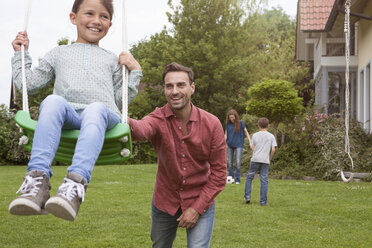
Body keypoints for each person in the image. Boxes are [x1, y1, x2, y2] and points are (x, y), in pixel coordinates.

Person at [9, 0, 142, 221]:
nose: (96, 21)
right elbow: (27, 85)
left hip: (103, 115)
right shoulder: (58, 53)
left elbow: (121, 99)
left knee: (95, 108)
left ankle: (74, 185)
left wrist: (135, 71)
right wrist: (20, 55)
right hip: (68, 115)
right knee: (52, 101)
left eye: (104, 16)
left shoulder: (112, 59)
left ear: (110, 24)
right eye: (89, 13)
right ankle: (37, 183)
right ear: (73, 18)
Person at [129, 62, 227, 248]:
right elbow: (140, 130)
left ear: (192, 88)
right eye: (169, 86)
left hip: (201, 200)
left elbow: (219, 175)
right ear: (165, 90)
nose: (175, 91)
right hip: (165, 201)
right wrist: (121, 119)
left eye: (180, 85)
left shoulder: (211, 123)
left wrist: (197, 209)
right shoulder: (157, 118)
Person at [244, 117, 277, 206]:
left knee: (249, 177)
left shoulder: (255, 135)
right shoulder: (271, 136)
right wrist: (269, 159)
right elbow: (273, 149)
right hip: (265, 160)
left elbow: (252, 147)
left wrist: (256, 152)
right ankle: (263, 201)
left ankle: (247, 197)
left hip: (255, 159)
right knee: (264, 180)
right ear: (268, 126)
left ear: (258, 125)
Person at [225, 109, 250, 184]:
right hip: (230, 144)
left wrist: (250, 141)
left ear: (235, 117)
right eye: (230, 117)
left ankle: (237, 179)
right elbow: (225, 134)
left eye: (233, 117)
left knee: (238, 162)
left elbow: (246, 132)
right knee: (230, 162)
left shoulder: (240, 123)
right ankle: (231, 178)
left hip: (239, 144)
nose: (232, 119)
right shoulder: (227, 124)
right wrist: (223, 141)